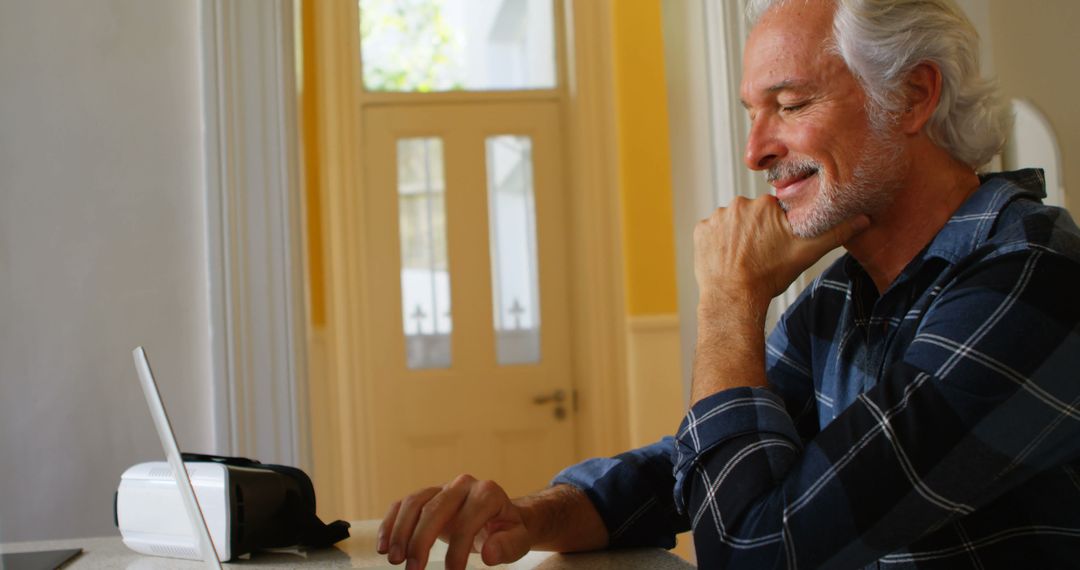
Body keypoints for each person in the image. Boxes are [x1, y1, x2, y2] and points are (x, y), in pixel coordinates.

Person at [377, 0, 1080, 567]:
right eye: (752, 112)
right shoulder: (844, 295)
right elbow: (692, 471)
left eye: (791, 103)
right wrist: (531, 517)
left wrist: (728, 300)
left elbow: (751, 548)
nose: (754, 153)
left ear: (912, 96)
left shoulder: (1033, 275)